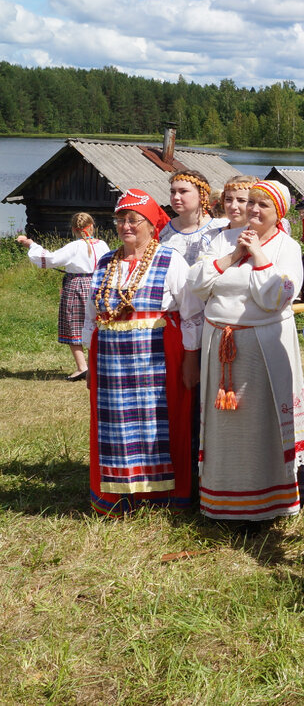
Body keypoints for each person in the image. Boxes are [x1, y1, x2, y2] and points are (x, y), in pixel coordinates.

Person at [188, 180, 304, 522]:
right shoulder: (222, 239)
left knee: (260, 424)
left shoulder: (287, 247)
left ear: (278, 213)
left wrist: (256, 255)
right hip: (220, 346)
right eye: (251, 202)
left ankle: (264, 507)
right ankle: (221, 503)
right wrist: (234, 255)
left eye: (263, 205)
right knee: (223, 426)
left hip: (262, 349)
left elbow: (275, 297)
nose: (253, 210)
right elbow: (197, 284)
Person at [82, 189, 203, 515]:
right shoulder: (106, 262)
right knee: (116, 426)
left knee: (158, 424)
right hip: (110, 360)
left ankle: (162, 497)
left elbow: (191, 315)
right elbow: (91, 319)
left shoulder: (170, 260)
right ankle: (120, 493)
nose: (126, 226)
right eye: (120, 219)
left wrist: (191, 360)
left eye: (134, 219)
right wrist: (90, 367)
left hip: (159, 359)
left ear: (151, 224)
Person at [17, 212, 109, 381]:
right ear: (92, 226)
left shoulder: (74, 247)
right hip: (99, 286)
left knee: (73, 324)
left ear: (74, 229)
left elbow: (49, 259)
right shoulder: (103, 245)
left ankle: (83, 367)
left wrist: (31, 244)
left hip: (76, 285)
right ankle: (95, 367)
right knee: (96, 324)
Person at [160, 170, 228, 266]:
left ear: (202, 195)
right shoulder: (166, 230)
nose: (176, 197)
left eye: (183, 191)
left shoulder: (219, 229)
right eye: (173, 192)